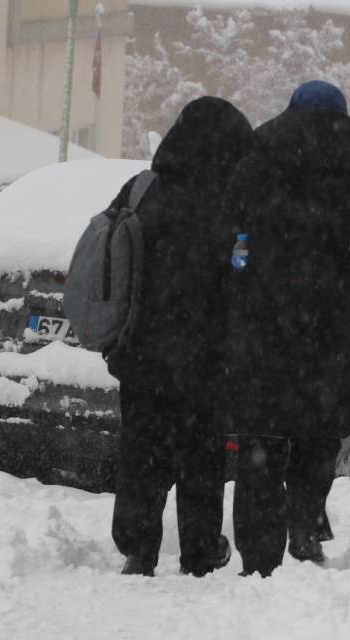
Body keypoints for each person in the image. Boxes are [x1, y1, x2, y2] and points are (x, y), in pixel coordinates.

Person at [222, 81, 350, 577]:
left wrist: (242, 282)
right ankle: (304, 533)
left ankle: (258, 558)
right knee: (317, 434)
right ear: (340, 117)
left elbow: (225, 234)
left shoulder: (256, 165)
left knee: (261, 436)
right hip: (323, 329)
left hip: (262, 324)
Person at [107, 96, 254, 577]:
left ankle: (138, 547)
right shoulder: (233, 205)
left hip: (141, 352)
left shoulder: (141, 190)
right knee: (202, 458)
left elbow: (112, 260)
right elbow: (246, 280)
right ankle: (199, 550)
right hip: (206, 359)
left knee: (141, 451)